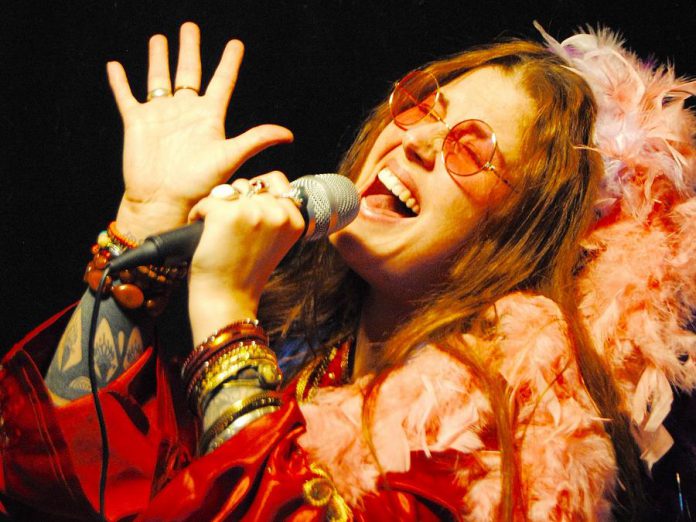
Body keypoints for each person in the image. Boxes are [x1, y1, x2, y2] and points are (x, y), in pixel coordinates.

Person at [1, 21, 693, 521]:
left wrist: (221, 317)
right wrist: (147, 219)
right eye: (424, 104)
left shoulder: (505, 440)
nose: (416, 140)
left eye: (470, 150)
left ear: (520, 234)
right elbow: (53, 486)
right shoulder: (304, 354)